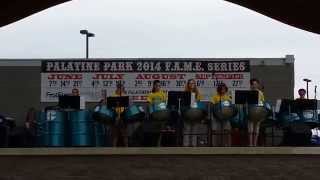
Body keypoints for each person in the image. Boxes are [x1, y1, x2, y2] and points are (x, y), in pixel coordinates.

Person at [145, 80, 167, 146]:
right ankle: (153, 146)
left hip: (162, 115)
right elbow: (149, 105)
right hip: (154, 115)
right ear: (154, 86)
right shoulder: (151, 94)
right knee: (154, 131)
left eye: (159, 86)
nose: (158, 87)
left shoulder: (163, 94)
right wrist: (151, 113)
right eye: (157, 85)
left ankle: (158, 145)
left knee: (161, 131)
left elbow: (165, 104)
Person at [183, 79, 205, 147]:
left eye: (193, 83)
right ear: (188, 84)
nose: (192, 84)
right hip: (187, 113)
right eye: (190, 83)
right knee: (187, 130)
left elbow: (199, 103)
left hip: (195, 113)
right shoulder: (185, 93)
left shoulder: (198, 94)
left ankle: (194, 146)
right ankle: (186, 146)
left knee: (195, 131)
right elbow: (183, 104)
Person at [248, 78, 265, 147]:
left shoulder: (260, 93)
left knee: (257, 128)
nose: (254, 85)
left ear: (257, 84)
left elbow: (262, 102)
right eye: (253, 84)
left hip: (258, 111)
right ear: (251, 85)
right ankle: (250, 144)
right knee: (250, 129)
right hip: (251, 111)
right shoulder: (249, 92)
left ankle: (255, 144)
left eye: (255, 84)